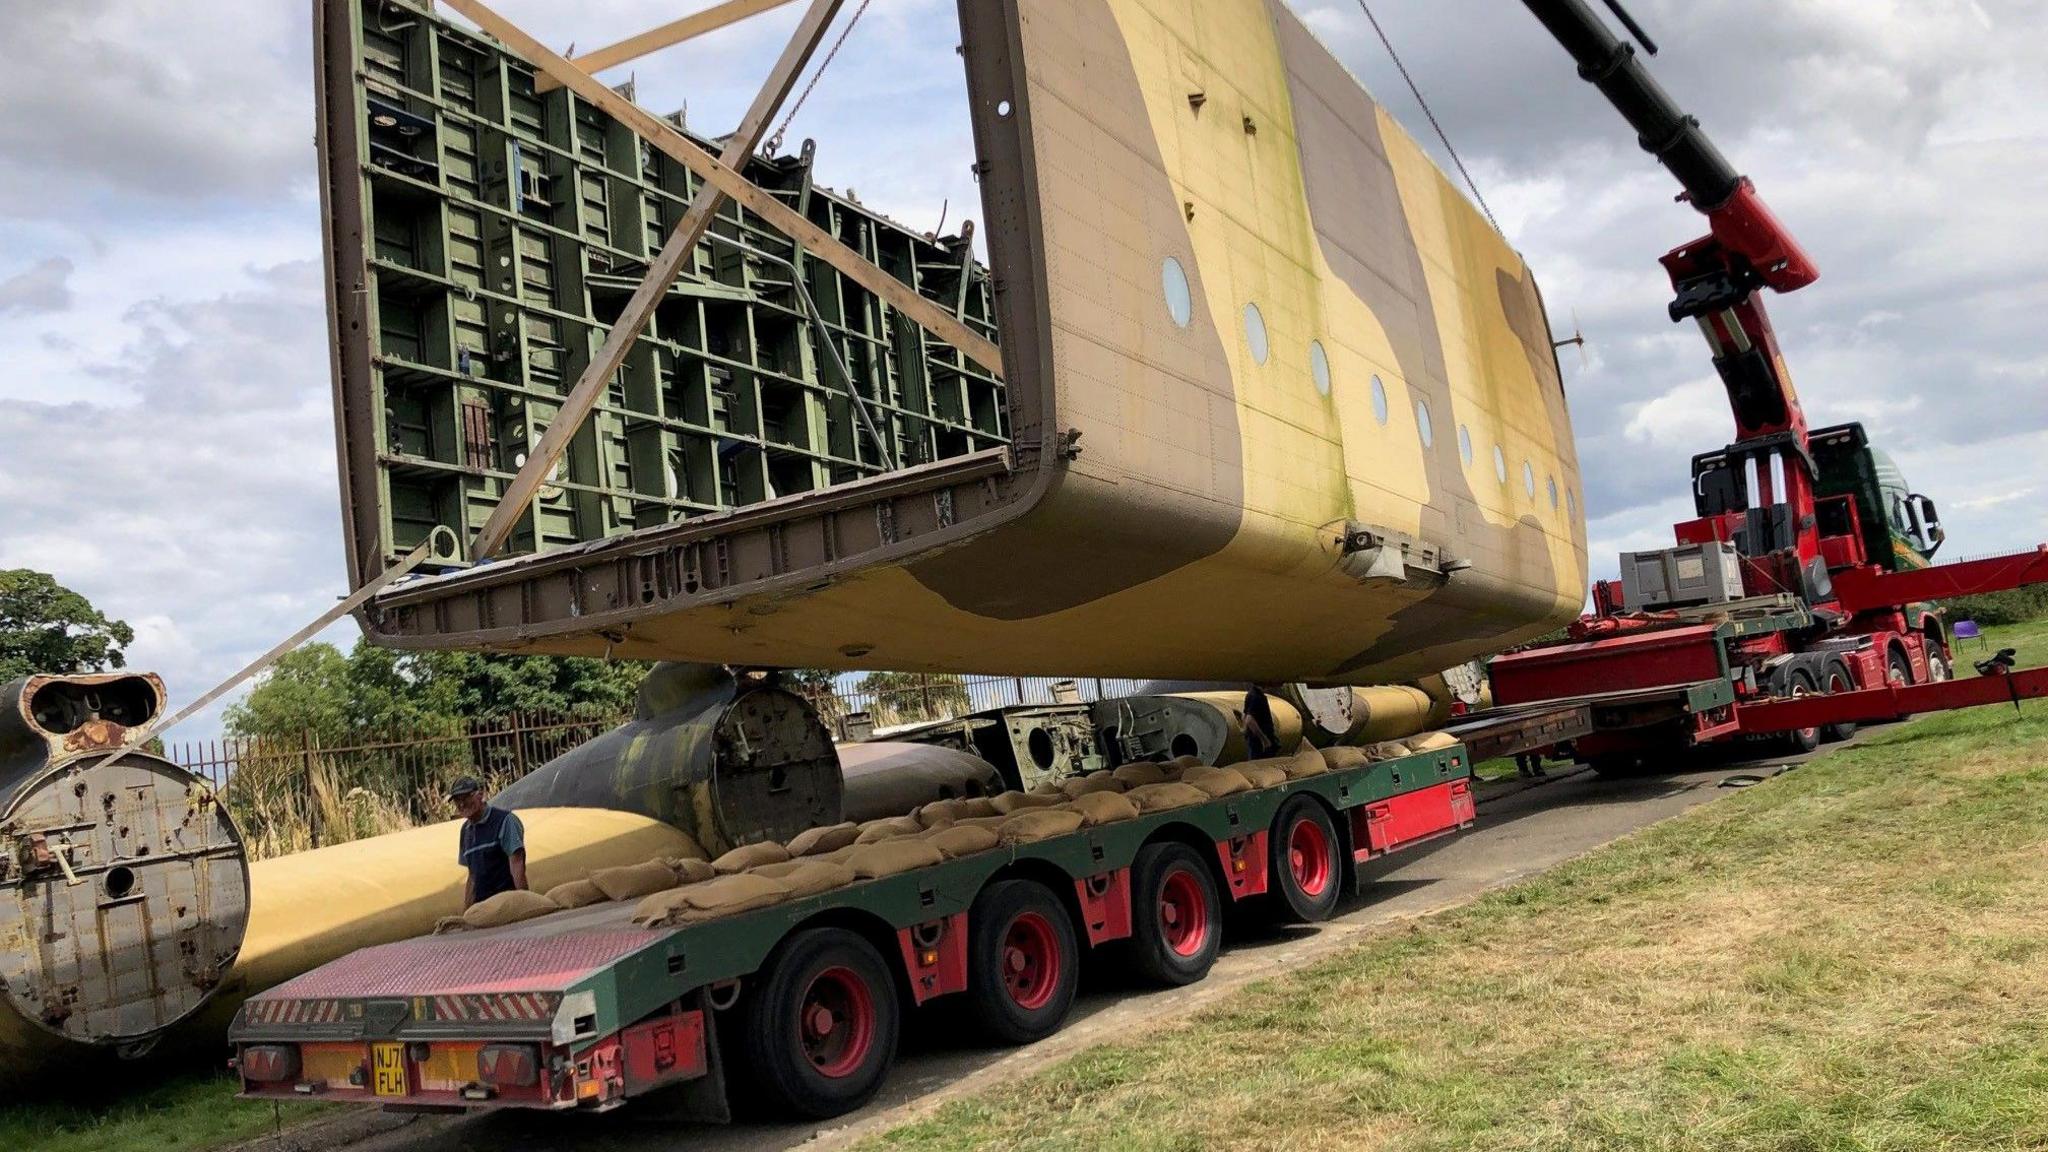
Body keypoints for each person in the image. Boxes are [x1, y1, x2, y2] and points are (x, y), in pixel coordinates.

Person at [450, 776, 526, 908]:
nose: (461, 804)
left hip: (506, 903)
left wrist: (523, 903)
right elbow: (472, 876)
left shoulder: (505, 821)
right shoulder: (465, 831)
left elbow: (517, 864)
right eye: (457, 800)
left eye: (466, 797)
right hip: (483, 908)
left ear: (481, 795)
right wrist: (467, 913)